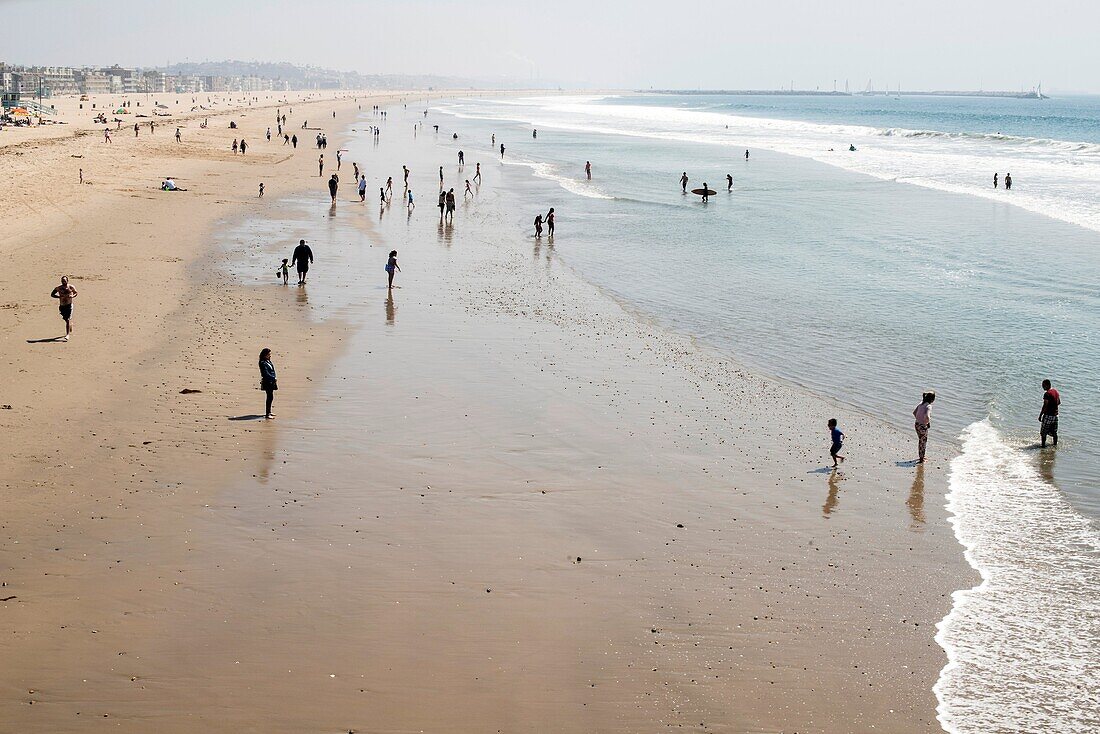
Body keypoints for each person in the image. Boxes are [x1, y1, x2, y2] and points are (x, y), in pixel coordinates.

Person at [50, 276, 77, 341]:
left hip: (69, 306)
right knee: (66, 319)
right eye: (62, 280)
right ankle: (70, 324)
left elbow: (76, 292)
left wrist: (72, 296)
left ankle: (67, 335)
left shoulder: (71, 287)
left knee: (67, 319)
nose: (63, 282)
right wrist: (59, 297)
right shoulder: (58, 288)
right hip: (62, 306)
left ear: (67, 281)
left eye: (64, 280)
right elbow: (52, 294)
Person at [913, 391, 936, 463]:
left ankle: (921, 456)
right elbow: (927, 416)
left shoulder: (921, 404)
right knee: (923, 442)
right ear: (932, 400)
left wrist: (919, 419)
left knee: (921, 440)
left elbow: (914, 412)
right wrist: (927, 423)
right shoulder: (928, 406)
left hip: (916, 424)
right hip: (922, 426)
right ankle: (921, 458)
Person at [1040, 379, 1060, 447]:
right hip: (1055, 415)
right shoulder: (1056, 392)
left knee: (1043, 432)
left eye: (1043, 385)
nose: (1042, 387)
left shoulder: (1047, 394)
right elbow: (1059, 402)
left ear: (1047, 385)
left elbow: (1045, 405)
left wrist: (1040, 415)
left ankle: (1043, 446)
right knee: (1054, 432)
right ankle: (1055, 445)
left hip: (1048, 415)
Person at [259, 348, 277, 420]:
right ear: (265, 355)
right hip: (267, 381)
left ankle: (269, 411)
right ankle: (267, 414)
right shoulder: (262, 363)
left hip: (271, 381)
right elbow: (265, 373)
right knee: (269, 397)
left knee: (271, 396)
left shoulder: (268, 361)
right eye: (269, 354)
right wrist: (273, 378)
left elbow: (272, 370)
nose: (270, 356)